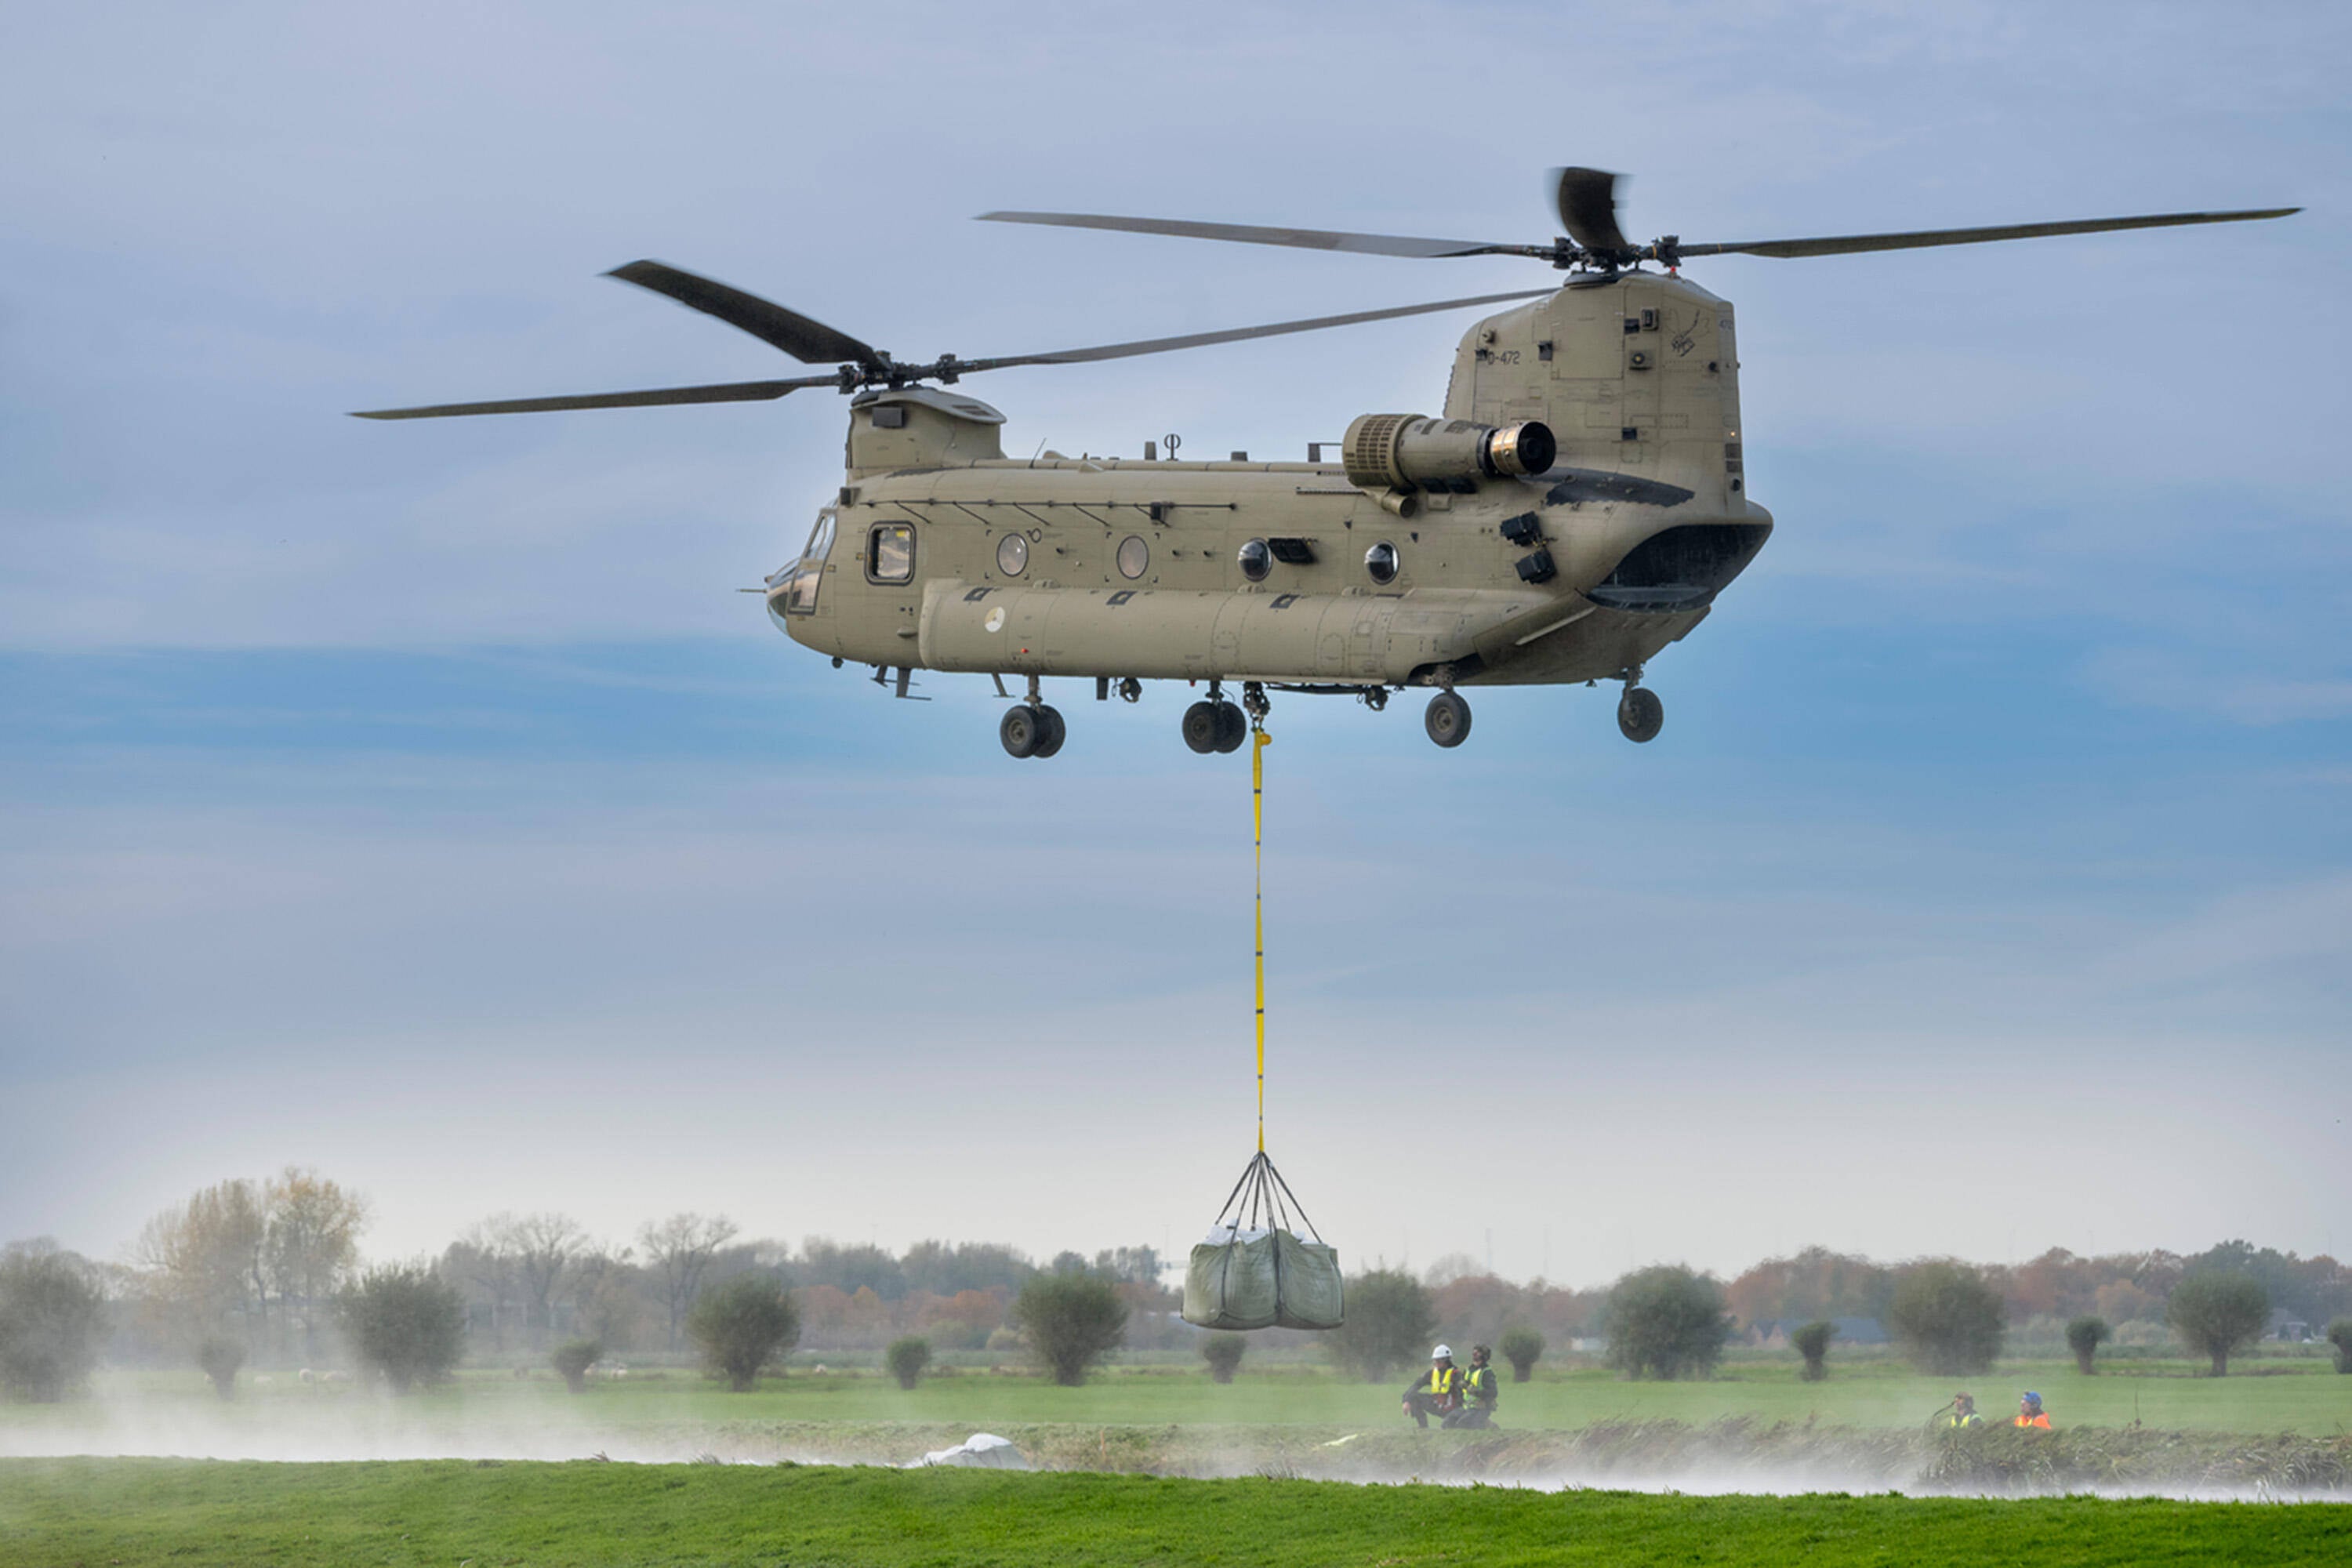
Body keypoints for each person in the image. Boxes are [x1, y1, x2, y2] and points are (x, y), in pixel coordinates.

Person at [1401, 1345, 1464, 1428]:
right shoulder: (1432, 1373)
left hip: (1451, 1408)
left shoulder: (1456, 1375)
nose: (1436, 1364)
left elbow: (1462, 1397)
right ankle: (1423, 1427)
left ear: (1446, 1361)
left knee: (1447, 1426)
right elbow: (1416, 1385)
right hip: (1437, 1405)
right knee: (1414, 1398)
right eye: (1435, 1361)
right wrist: (1406, 1401)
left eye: (1438, 1361)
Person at [1453, 1344, 1499, 1429]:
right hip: (1466, 1407)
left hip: (1481, 1408)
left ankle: (1488, 1425)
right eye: (1474, 1354)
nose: (1475, 1357)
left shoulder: (1487, 1373)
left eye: (1477, 1354)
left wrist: (1476, 1392)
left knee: (1462, 1424)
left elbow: (1493, 1393)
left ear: (1484, 1357)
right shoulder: (1468, 1371)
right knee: (1448, 1423)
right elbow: (1460, 1390)